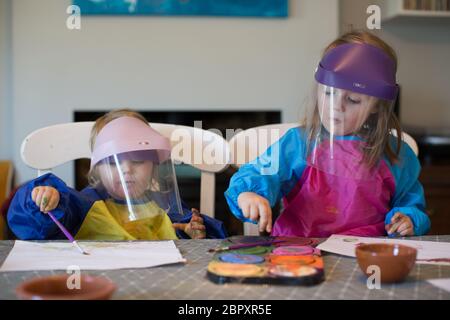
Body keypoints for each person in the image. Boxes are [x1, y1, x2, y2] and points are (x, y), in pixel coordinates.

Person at [225, 31, 430, 238]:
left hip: (366, 252)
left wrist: (408, 219)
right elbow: (260, 173)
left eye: (353, 100)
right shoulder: (298, 143)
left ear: (377, 105)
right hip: (297, 252)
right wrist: (249, 194)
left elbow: (410, 203)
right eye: (329, 93)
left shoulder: (395, 154)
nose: (335, 106)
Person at [8, 110, 227, 240]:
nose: (126, 169)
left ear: (153, 164)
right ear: (97, 167)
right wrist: (40, 200)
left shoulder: (166, 203)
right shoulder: (84, 203)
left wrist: (193, 231)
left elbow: (194, 238)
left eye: (138, 160)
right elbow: (34, 227)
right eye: (113, 162)